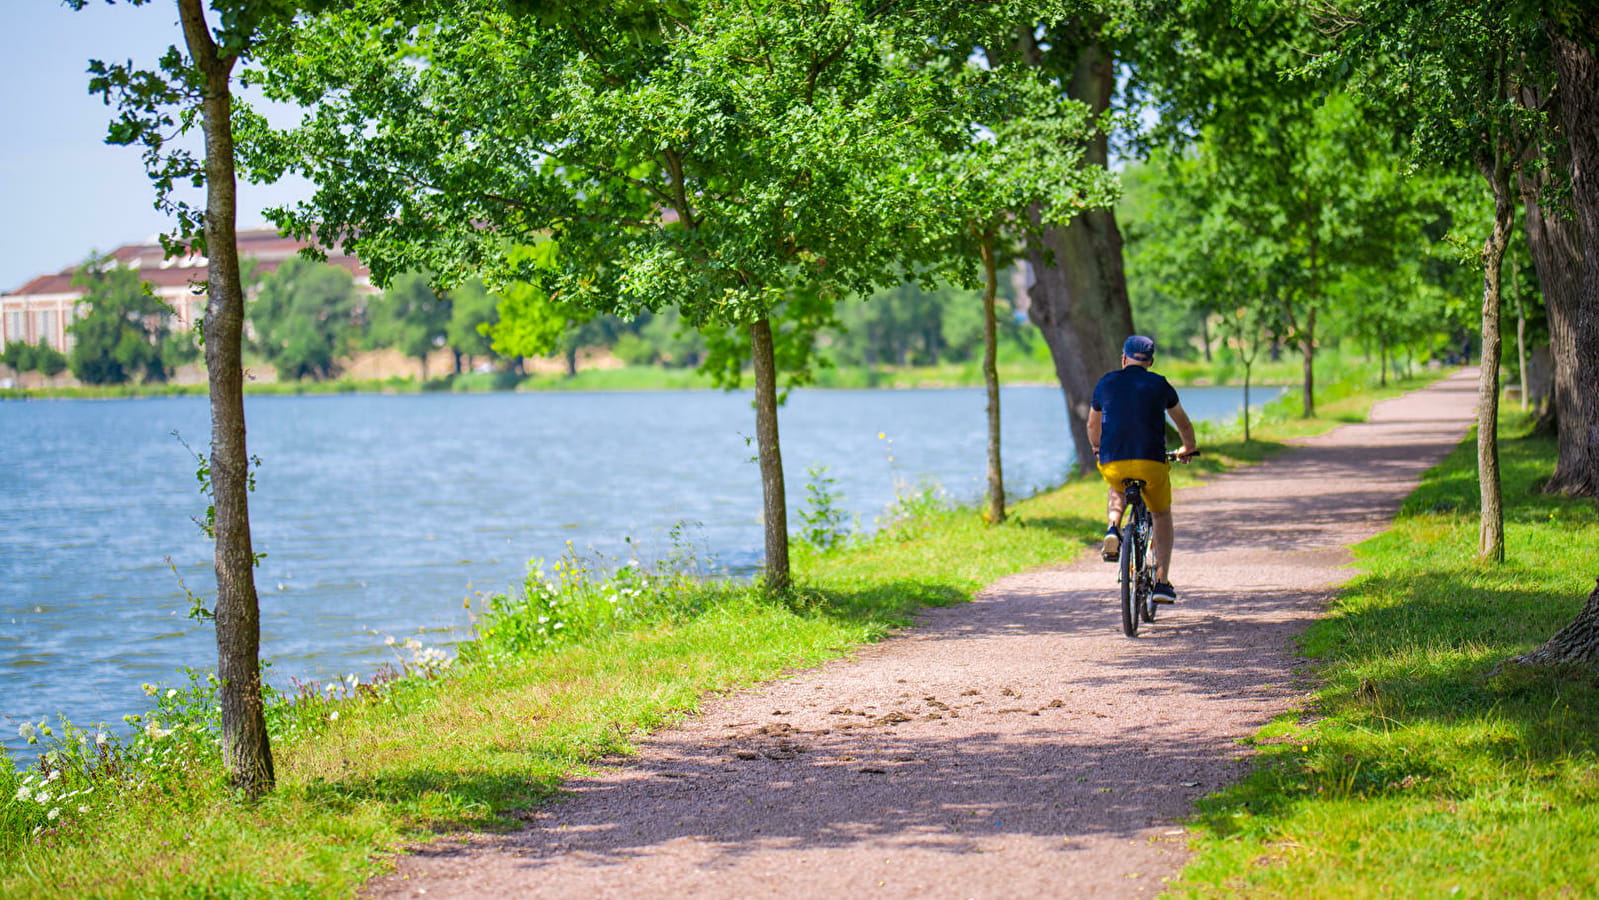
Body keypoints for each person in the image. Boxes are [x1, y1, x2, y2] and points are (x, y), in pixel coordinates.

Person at [1087, 335, 1198, 604]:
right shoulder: (1160, 384)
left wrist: (1098, 450)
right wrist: (1188, 448)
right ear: (1151, 361)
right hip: (1151, 462)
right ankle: (1161, 581)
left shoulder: (1106, 382)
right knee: (1161, 515)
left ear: (1124, 358)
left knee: (1117, 486)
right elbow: (1182, 423)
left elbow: (1093, 426)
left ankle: (1113, 527)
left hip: (1114, 462)